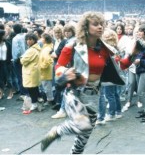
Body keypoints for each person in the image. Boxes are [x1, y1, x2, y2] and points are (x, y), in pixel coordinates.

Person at [40, 12, 125, 154]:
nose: (100, 27)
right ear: (85, 27)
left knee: (85, 134)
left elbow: (120, 65)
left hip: (94, 94)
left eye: (101, 24)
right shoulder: (72, 45)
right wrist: (66, 74)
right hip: (75, 92)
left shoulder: (104, 48)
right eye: (95, 24)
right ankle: (57, 131)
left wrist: (134, 54)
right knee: (83, 125)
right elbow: (58, 67)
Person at [118, 24, 145, 122]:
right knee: (140, 92)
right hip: (139, 69)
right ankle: (144, 111)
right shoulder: (140, 43)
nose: (138, 32)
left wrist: (140, 61)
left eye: (141, 31)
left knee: (141, 92)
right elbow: (135, 55)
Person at [20, 33, 41, 111]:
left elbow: (23, 61)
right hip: (33, 71)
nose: (28, 41)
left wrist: (21, 58)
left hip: (30, 72)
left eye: (30, 39)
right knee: (34, 88)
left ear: (34, 40)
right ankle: (37, 101)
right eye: (27, 39)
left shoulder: (31, 50)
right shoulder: (36, 48)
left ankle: (34, 103)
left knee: (31, 89)